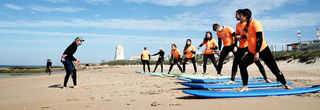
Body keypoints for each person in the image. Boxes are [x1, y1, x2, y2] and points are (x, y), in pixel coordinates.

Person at [237, 9, 292, 92]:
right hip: (252, 51)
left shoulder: (255, 23)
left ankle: (285, 84)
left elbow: (260, 38)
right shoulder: (246, 26)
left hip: (262, 50)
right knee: (242, 65)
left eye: (240, 16)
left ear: (246, 16)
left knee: (274, 69)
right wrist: (240, 38)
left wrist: (257, 52)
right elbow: (249, 37)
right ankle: (245, 86)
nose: (239, 18)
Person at [227, 9, 271, 84]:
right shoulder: (237, 25)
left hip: (249, 45)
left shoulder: (247, 23)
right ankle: (232, 79)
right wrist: (235, 44)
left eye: (237, 15)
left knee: (257, 62)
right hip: (241, 46)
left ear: (242, 15)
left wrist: (240, 37)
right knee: (235, 61)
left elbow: (249, 36)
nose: (236, 16)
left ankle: (265, 78)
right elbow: (237, 35)